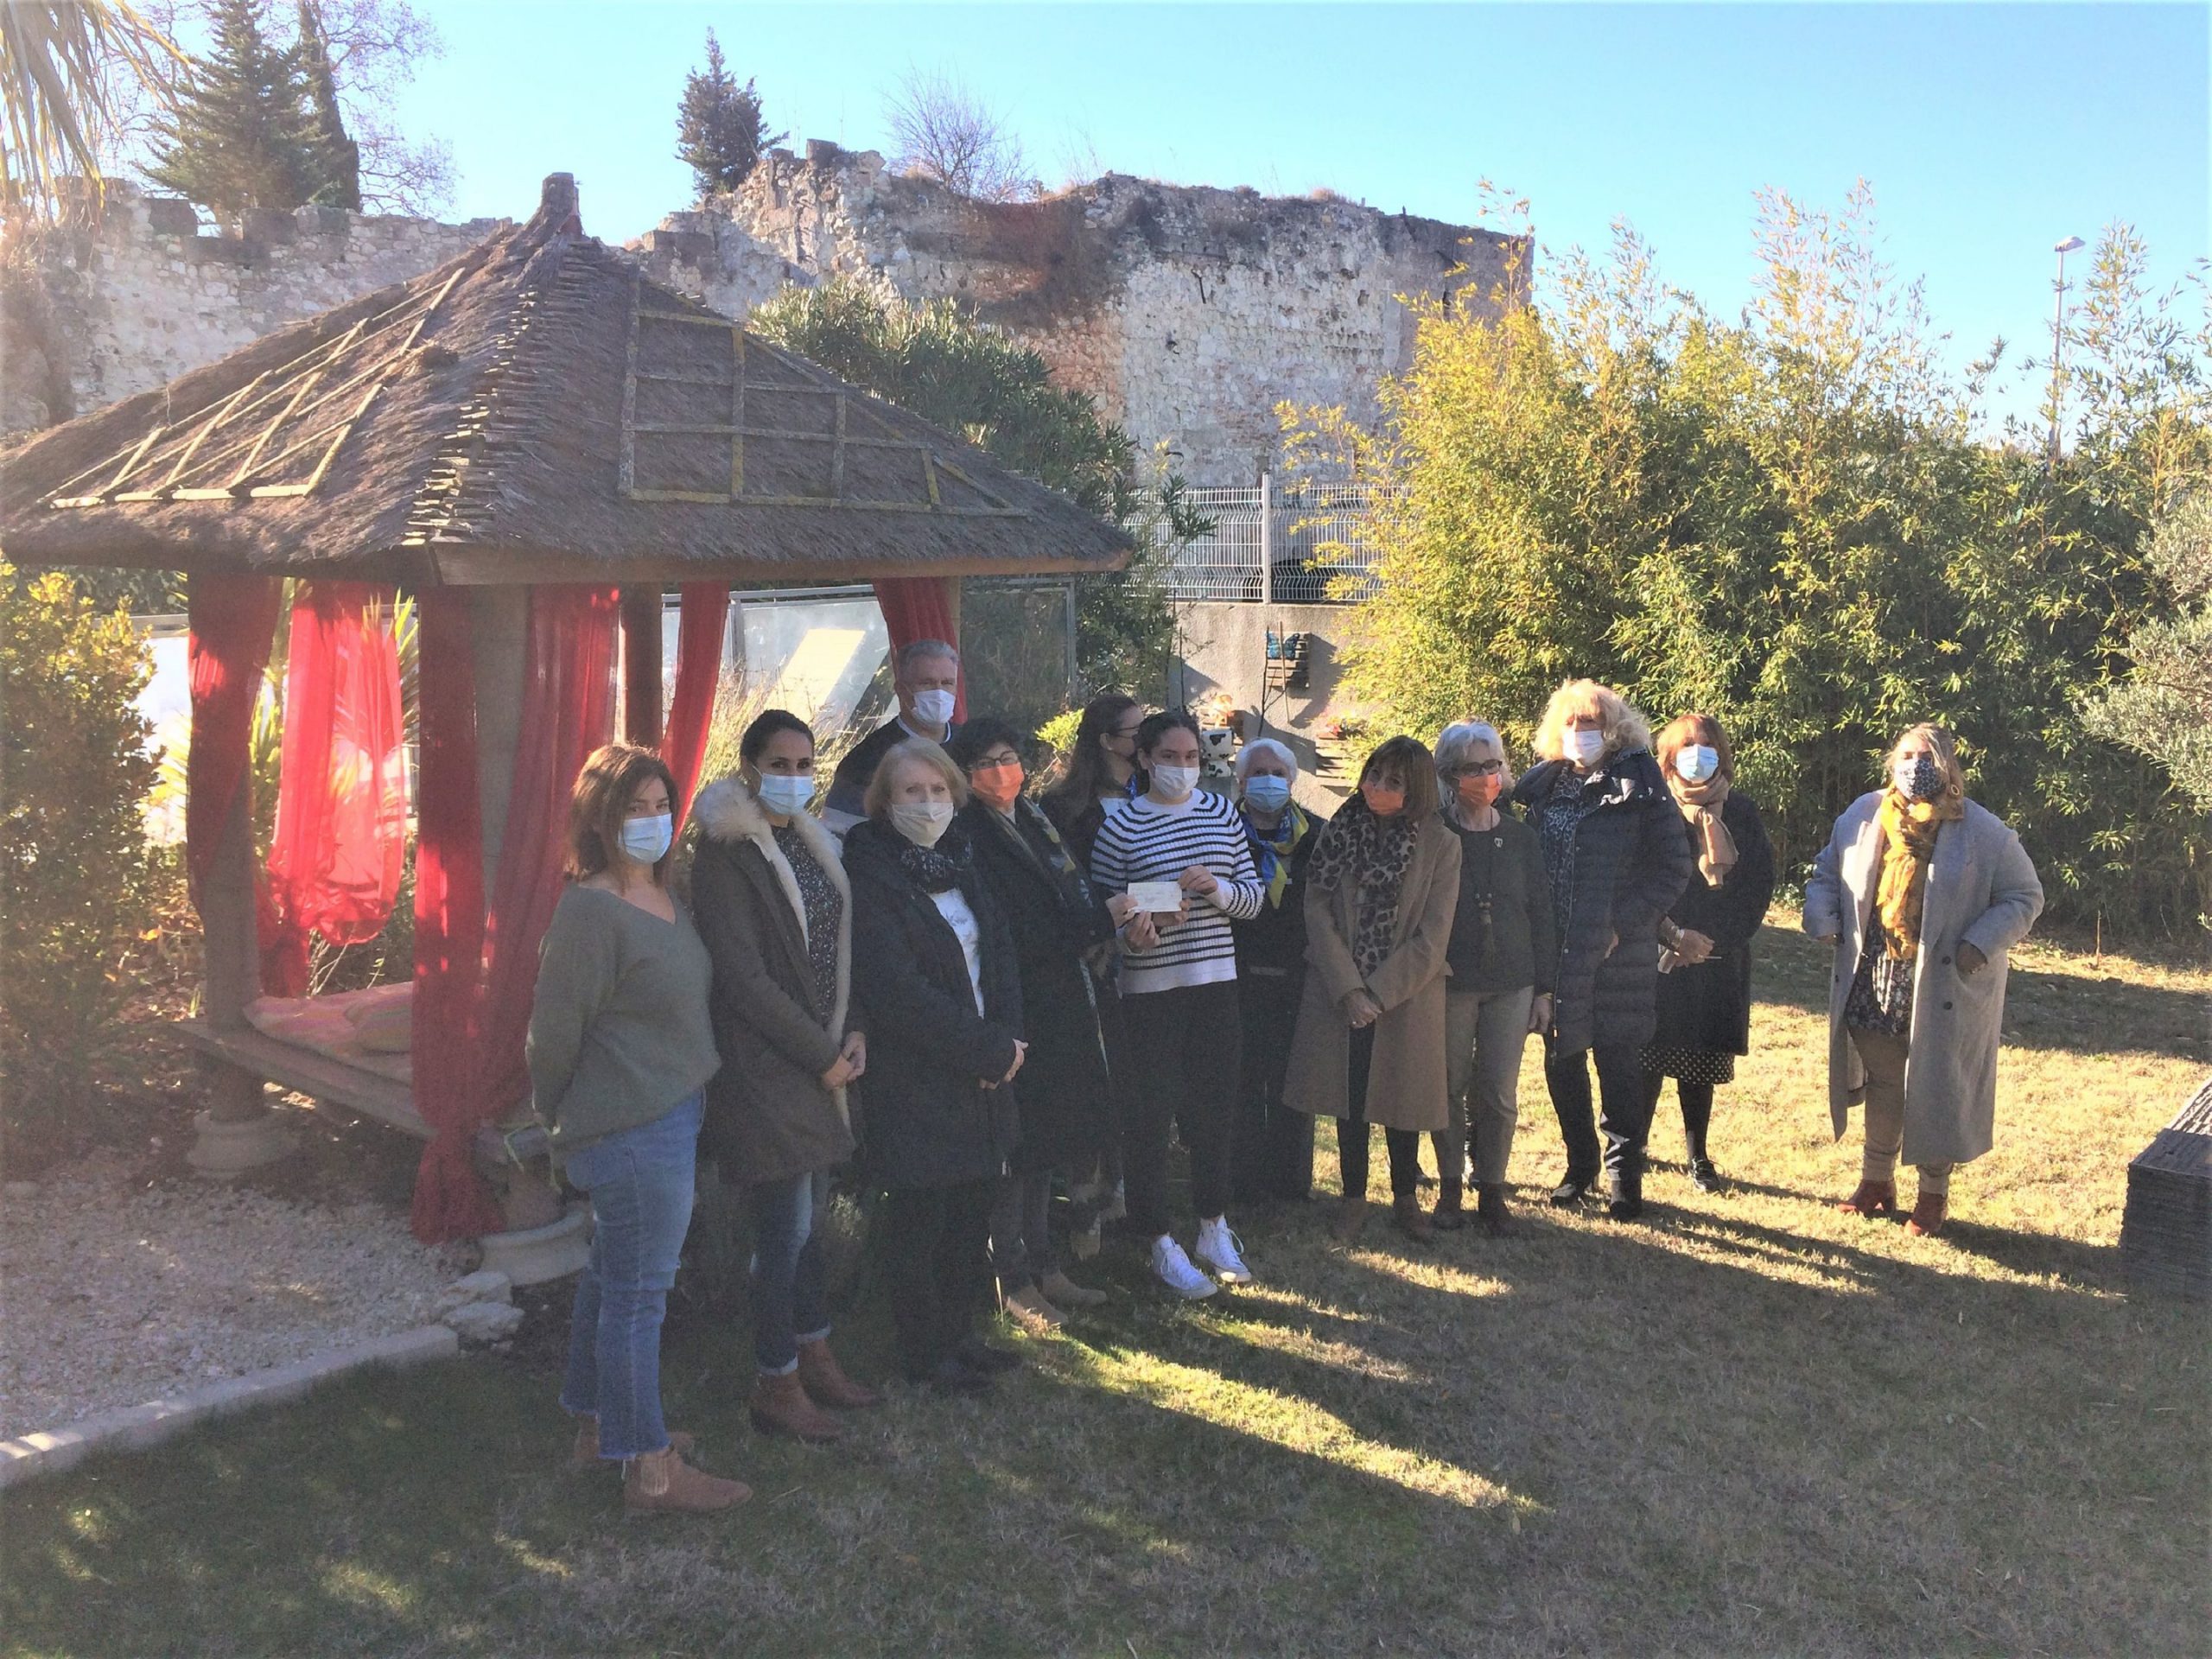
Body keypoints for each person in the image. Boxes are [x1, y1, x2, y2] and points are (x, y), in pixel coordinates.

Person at [528, 743, 742, 1513]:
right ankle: (648, 1467)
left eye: (660, 806)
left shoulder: (664, 892)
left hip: (672, 1111)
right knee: (639, 1296)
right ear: (599, 818)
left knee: (610, 1278)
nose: (651, 822)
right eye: (633, 809)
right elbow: (552, 1036)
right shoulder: (590, 910)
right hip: (628, 1127)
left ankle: (599, 1427)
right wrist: (556, 1121)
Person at [690, 711, 880, 1444]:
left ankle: (814, 1350)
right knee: (785, 1230)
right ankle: (778, 1379)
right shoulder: (726, 853)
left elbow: (839, 947)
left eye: (805, 763)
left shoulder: (811, 838)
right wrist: (820, 1053)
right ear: (748, 766)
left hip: (824, 1053)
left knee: (806, 1227)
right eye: (780, 762)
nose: (793, 776)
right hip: (770, 1064)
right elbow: (743, 978)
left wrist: (854, 1026)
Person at [1803, 723, 2044, 1237]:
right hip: (1874, 975)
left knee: (1937, 1088)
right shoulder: (1863, 816)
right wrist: (1823, 919)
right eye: (1907, 755)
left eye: (1927, 755)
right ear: (1892, 764)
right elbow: (1826, 874)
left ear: (1949, 765)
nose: (1916, 765)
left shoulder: (1984, 830)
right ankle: (1876, 1182)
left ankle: (1933, 1195)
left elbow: (2024, 896)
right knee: (1886, 1083)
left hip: (1945, 985)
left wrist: (1979, 943)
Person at [843, 739, 1030, 1390]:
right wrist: (984, 1050)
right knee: (922, 1219)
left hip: (985, 1071)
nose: (927, 804)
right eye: (911, 793)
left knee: (969, 1213)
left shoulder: (962, 862)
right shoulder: (872, 875)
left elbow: (1000, 952)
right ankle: (925, 1354)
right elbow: (897, 992)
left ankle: (961, 1335)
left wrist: (1006, 1043)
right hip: (920, 1076)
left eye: (938, 791)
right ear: (885, 804)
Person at [949, 718, 1141, 1331]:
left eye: (1010, 755)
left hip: (1062, 998)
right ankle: (1012, 1277)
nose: (1003, 770)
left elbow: (1068, 893)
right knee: (1018, 1147)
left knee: (1049, 1139)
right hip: (1015, 1001)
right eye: (987, 761)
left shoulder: (1030, 816)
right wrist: (1095, 923)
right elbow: (1010, 921)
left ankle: (1044, 1261)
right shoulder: (967, 832)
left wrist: (1104, 921)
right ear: (965, 774)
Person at [1089, 709, 1266, 1298]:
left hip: (1216, 985)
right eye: (1169, 758)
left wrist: (1218, 890)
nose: (1182, 769)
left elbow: (1254, 898)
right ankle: (1157, 1239)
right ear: (1143, 759)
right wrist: (1135, 924)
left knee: (1215, 1110)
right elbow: (1106, 908)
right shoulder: (1121, 824)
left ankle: (1213, 1225)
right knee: (1149, 1117)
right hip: (1148, 996)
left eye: (1192, 758)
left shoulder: (1221, 813)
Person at [1511, 680, 1694, 1221]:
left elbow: (1673, 868)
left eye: (1588, 724)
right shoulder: (1544, 786)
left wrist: (1625, 923)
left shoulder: (1640, 782)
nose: (1578, 734)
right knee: (1562, 1058)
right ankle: (1580, 1164)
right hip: (1557, 949)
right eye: (1569, 724)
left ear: (1613, 728)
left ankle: (1623, 1177)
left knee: (1619, 1065)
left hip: (1618, 953)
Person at [1287, 737, 1462, 1243]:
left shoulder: (1441, 843)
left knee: (1401, 1097)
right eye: (1372, 776)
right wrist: (1348, 989)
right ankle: (1353, 1198)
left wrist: (1378, 993)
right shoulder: (1339, 829)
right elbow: (1316, 908)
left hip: (1406, 993)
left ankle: (1406, 1198)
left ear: (1416, 790)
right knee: (1351, 1094)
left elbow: (1434, 934)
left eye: (1392, 782)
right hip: (1339, 988)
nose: (1375, 788)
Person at [1638, 714, 1777, 1192]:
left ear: (1722, 752)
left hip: (1716, 958)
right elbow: (1639, 880)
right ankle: (1632, 1146)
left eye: (1706, 745)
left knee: (1698, 1060)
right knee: (1646, 1055)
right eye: (1686, 746)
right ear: (1668, 757)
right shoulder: (1652, 808)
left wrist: (1708, 941)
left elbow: (1758, 887)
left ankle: (1698, 1156)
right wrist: (1673, 935)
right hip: (1656, 953)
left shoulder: (1740, 811)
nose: (1697, 753)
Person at [1430, 721, 1553, 1235]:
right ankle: (1451, 1186)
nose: (1484, 777)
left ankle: (1492, 1189)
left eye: (1491, 765)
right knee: (1450, 1087)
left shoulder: (1521, 837)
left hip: (1513, 981)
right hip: (1450, 981)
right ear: (1449, 775)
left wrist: (1545, 989)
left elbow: (1542, 915)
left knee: (1498, 1091)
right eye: (1471, 768)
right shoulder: (1434, 834)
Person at [1229, 739, 1327, 1206]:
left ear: (1291, 781)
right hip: (1235, 974)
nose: (1268, 781)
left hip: (1298, 975)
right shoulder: (1219, 831)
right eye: (1258, 773)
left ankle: (1290, 1183)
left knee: (1292, 1084)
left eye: (1277, 773)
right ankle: (1244, 1182)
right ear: (1242, 782)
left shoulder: (1318, 836)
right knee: (1243, 1083)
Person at [821, 639, 963, 832]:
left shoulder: (972, 746)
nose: (939, 693)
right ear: (901, 691)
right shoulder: (865, 760)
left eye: (947, 683)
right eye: (926, 683)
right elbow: (841, 834)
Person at [1039, 692, 1147, 871]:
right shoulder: (1062, 807)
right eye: (1137, 731)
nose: (1146, 738)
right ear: (1107, 741)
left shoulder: (1152, 792)